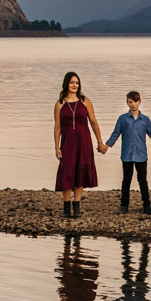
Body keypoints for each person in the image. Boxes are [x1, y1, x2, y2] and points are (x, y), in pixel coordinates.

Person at [105, 90, 151, 214]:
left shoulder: (145, 119)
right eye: (130, 102)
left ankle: (147, 206)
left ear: (139, 102)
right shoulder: (123, 119)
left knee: (143, 181)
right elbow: (115, 134)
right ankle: (124, 206)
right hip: (127, 155)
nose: (133, 104)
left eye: (135, 101)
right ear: (127, 103)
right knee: (126, 180)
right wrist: (106, 146)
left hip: (141, 155)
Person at [53, 71, 106, 218]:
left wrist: (100, 142)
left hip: (84, 141)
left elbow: (94, 122)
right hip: (68, 142)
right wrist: (57, 147)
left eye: (76, 82)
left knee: (80, 172)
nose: (74, 85)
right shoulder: (59, 104)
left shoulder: (85, 101)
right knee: (67, 172)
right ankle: (66, 206)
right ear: (66, 84)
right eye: (71, 82)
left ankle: (76, 206)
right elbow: (57, 127)